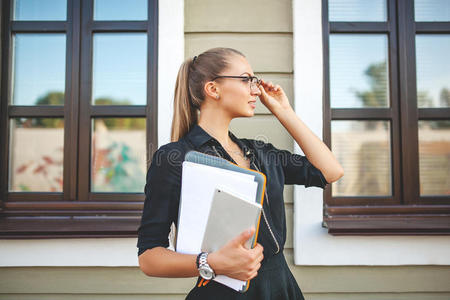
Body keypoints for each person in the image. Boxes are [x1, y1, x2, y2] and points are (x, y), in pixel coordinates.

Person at [137, 47, 344, 299]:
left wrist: (283, 111)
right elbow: (149, 257)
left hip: (280, 288)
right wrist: (211, 262)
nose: (256, 90)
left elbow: (330, 171)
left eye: (254, 81)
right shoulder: (175, 158)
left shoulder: (261, 153)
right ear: (213, 89)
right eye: (246, 80)